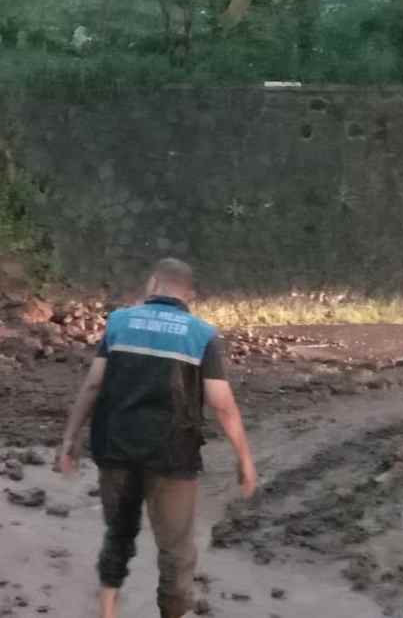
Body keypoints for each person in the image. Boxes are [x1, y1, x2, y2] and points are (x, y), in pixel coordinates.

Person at [58, 258, 258, 618]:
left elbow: (92, 385)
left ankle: (107, 611)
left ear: (152, 284)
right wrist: (243, 457)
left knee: (118, 534)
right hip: (172, 456)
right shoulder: (200, 334)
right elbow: (222, 405)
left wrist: (69, 439)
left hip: (114, 449)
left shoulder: (119, 322)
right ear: (190, 294)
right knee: (176, 551)